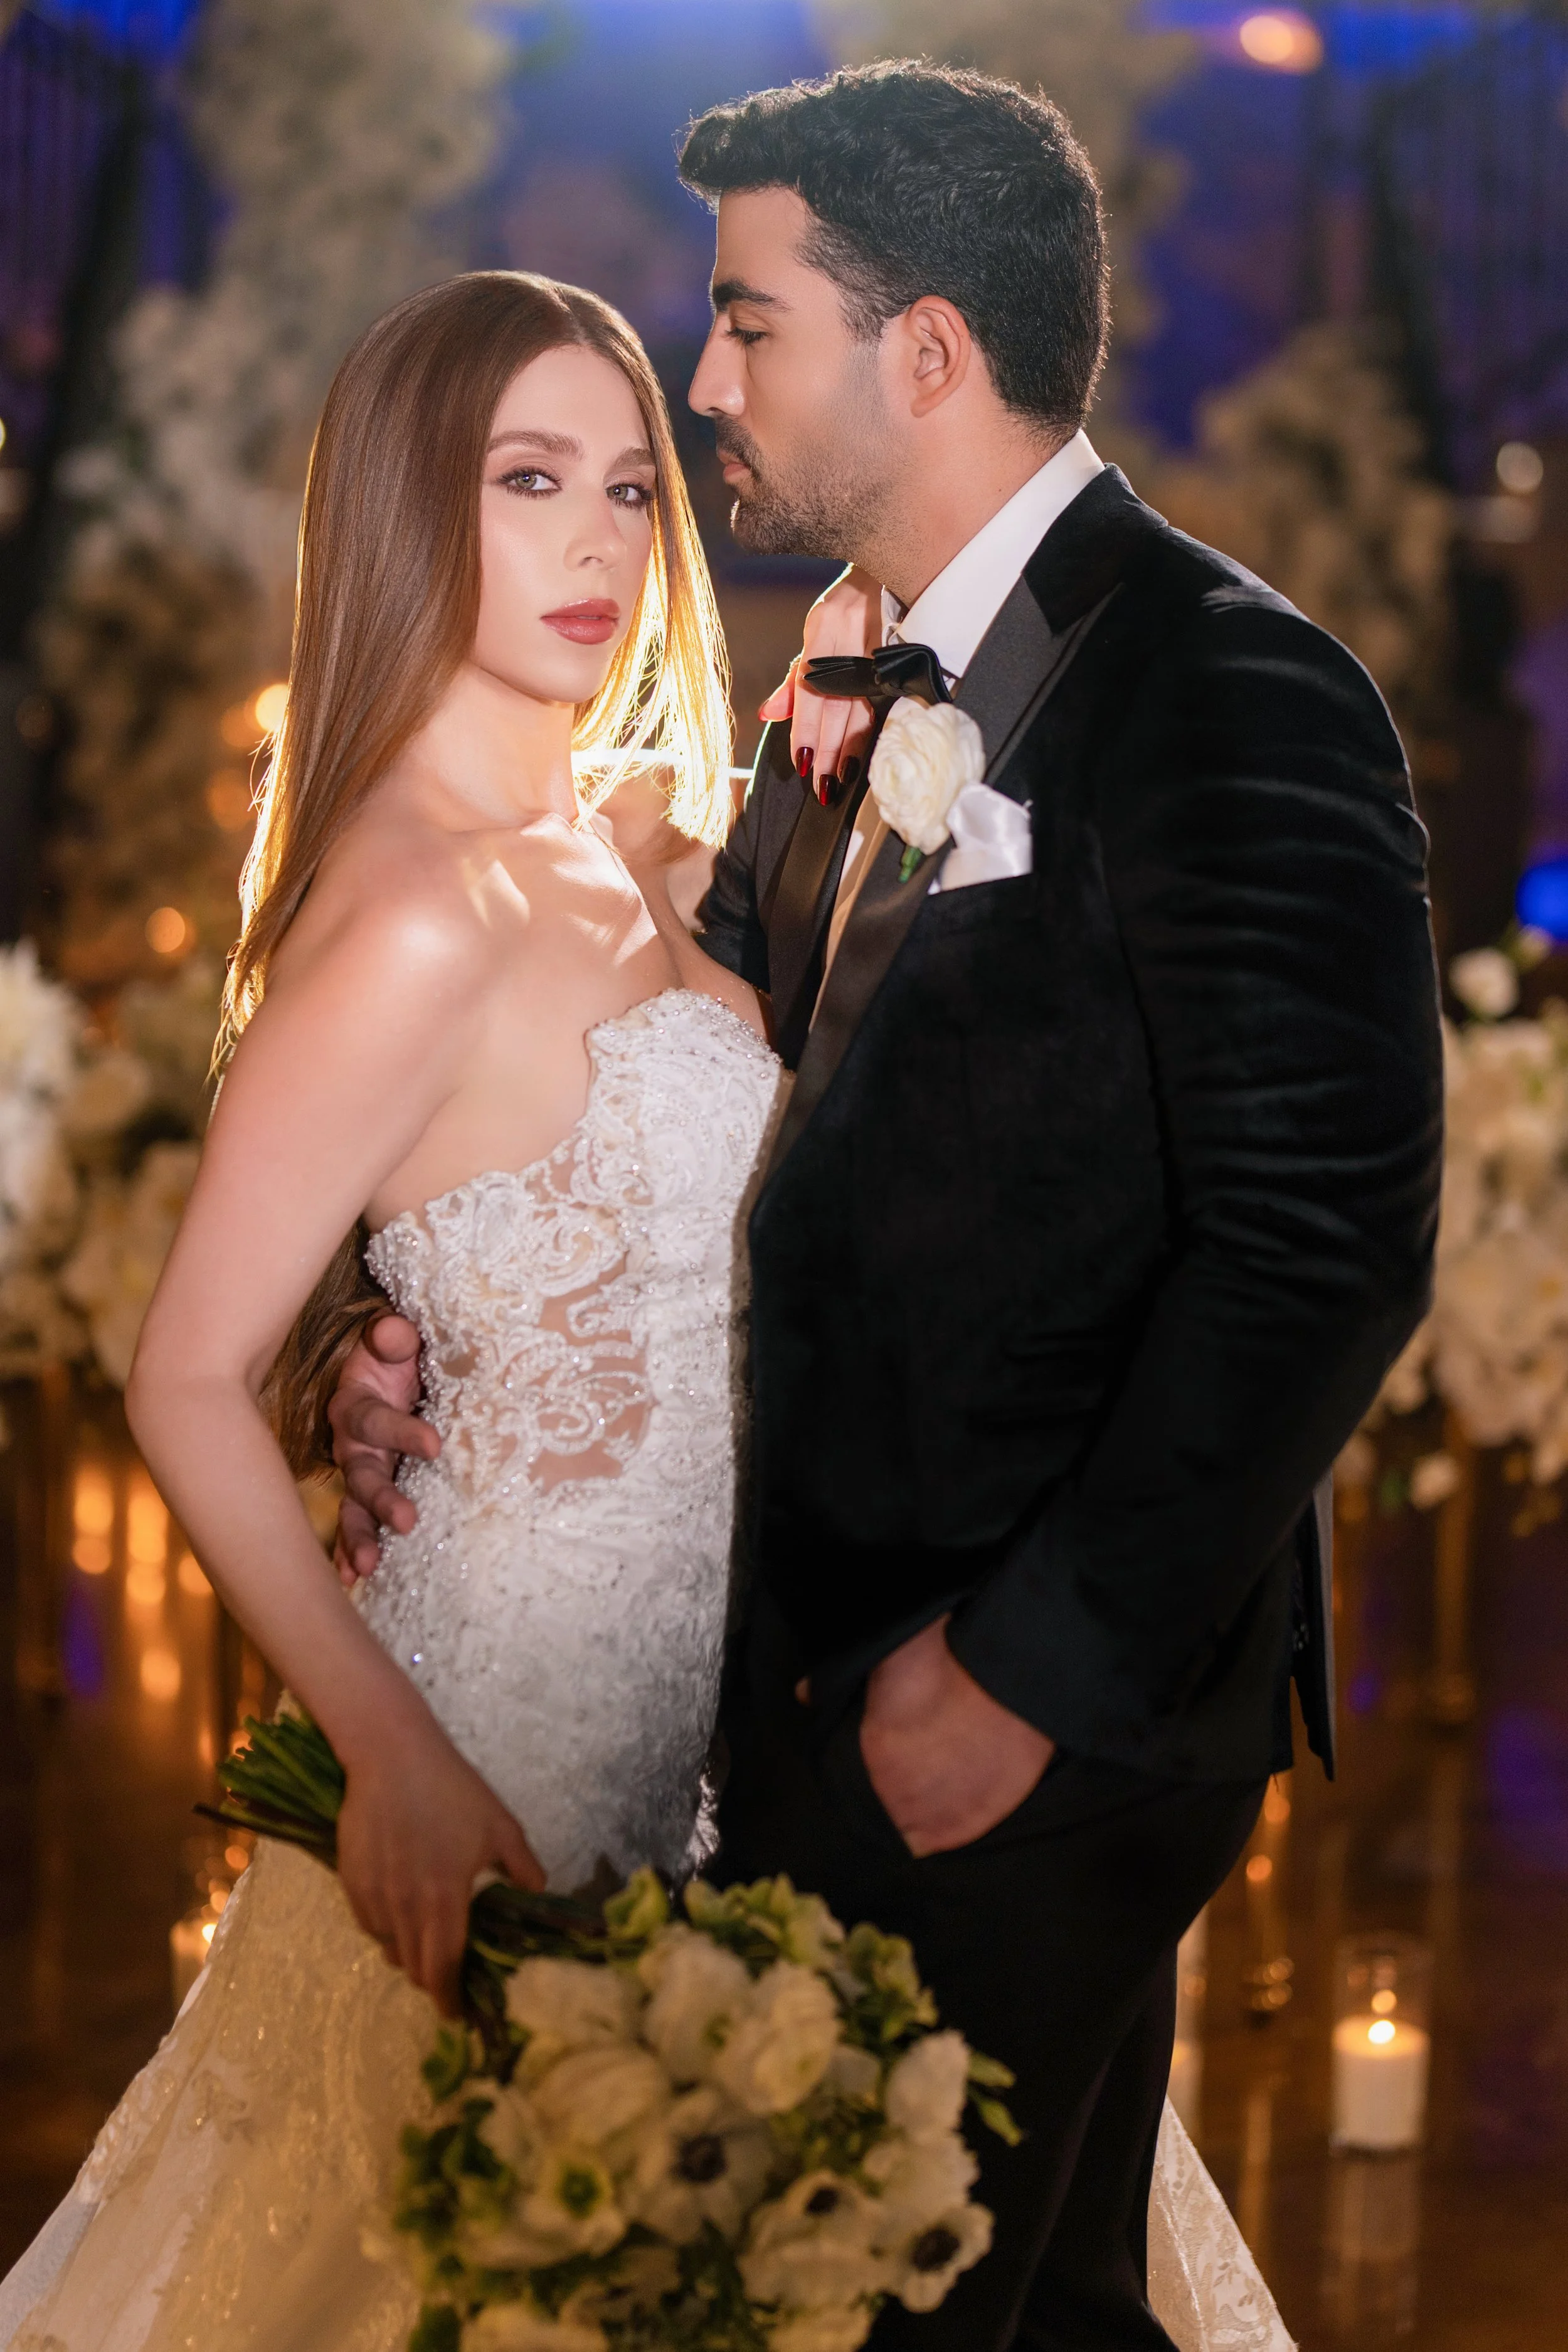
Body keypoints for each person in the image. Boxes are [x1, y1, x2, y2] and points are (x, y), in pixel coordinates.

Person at [332, 60, 1444, 2352]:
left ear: (920, 350)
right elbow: (734, 1120)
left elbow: (1320, 1234)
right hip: (815, 1680)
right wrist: (448, 1336)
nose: (707, 373)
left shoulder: (1226, 687)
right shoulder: (841, 677)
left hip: (1028, 1708)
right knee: (988, 2308)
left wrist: (1020, 1675)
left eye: (747, 326)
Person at [0, 269, 780, 2349]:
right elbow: (175, 1369)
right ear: (404, 514)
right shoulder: (423, 901)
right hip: (503, 1737)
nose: (600, 539)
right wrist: (394, 1754)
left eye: (630, 487)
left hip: (730, 1722)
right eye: (530, 480)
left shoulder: (618, 848)